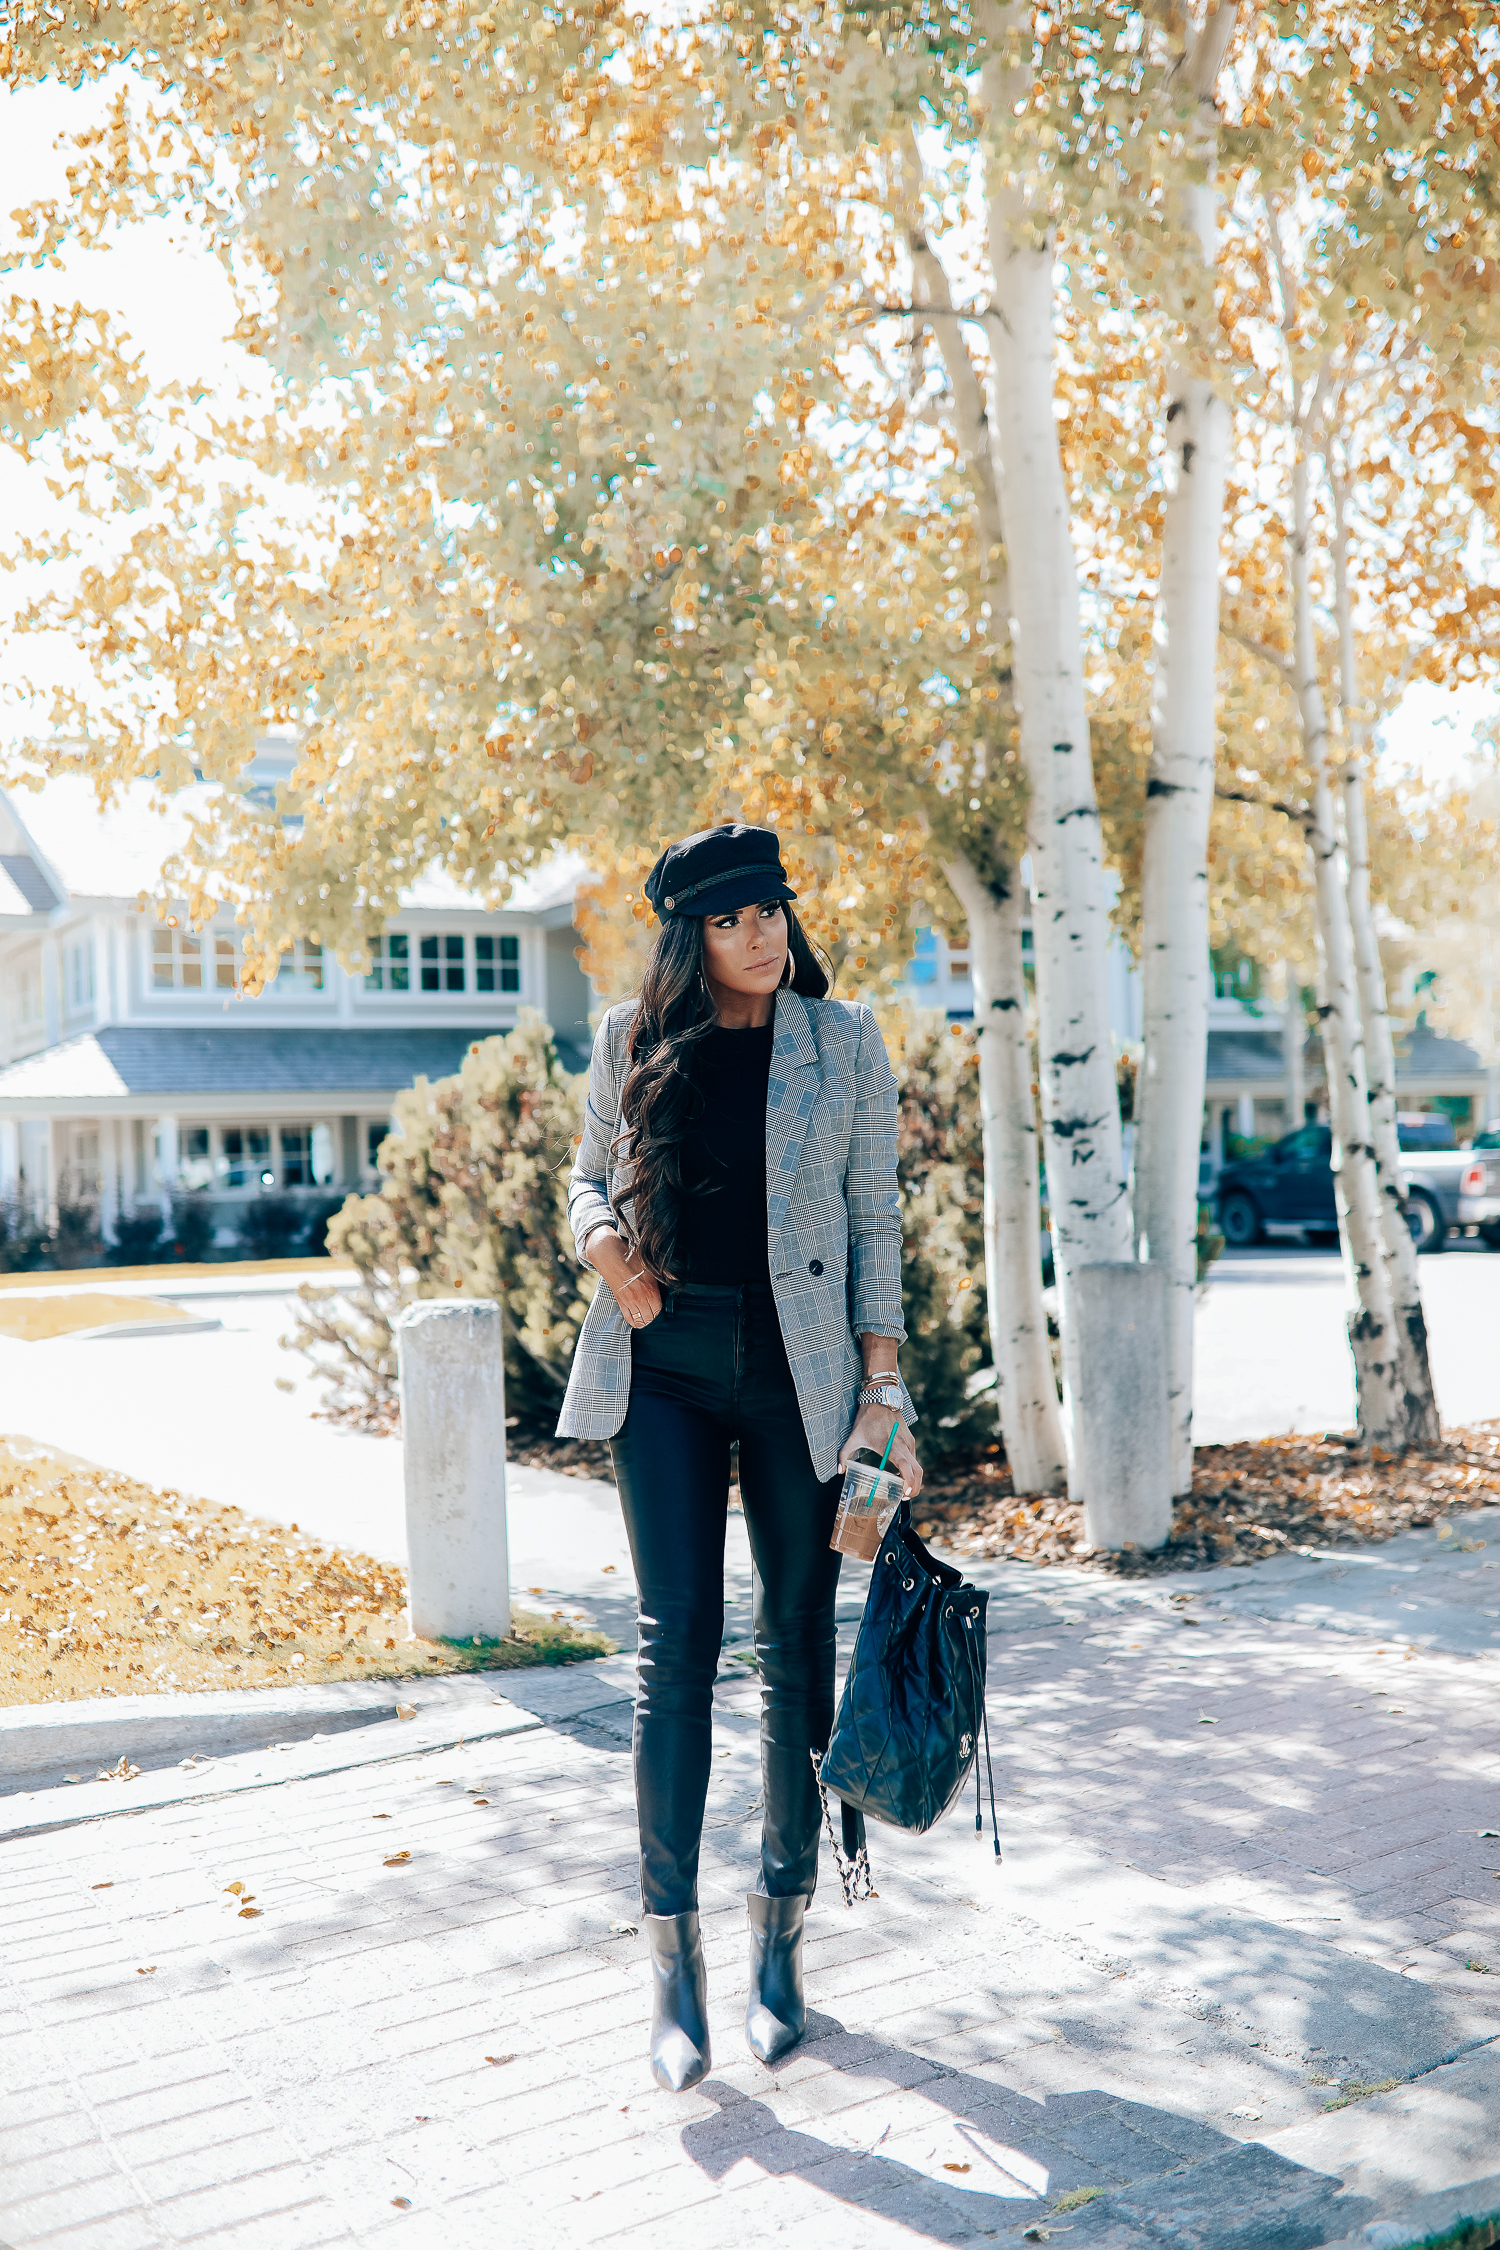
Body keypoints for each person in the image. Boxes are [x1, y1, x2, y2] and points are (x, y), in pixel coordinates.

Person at [557, 822, 922, 2093]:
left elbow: (877, 1212)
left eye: (770, 909)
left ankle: (782, 1940)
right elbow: (583, 1182)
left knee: (798, 1646)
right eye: (730, 919)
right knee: (675, 1648)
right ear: (690, 935)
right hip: (662, 1369)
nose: (759, 934)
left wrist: (886, 1387)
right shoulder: (631, 1038)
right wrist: (619, 1266)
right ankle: (672, 1964)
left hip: (806, 1376)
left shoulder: (846, 1040)